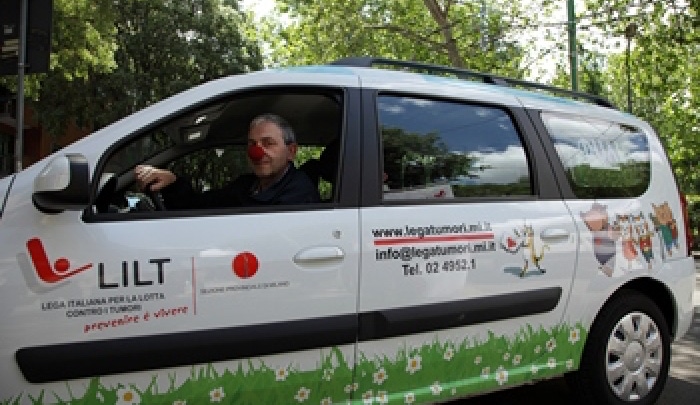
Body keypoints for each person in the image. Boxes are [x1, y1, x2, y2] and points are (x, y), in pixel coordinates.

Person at [134, 113, 321, 209]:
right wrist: (172, 182)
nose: (257, 152)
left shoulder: (300, 193)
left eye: (268, 143)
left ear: (291, 151)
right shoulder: (245, 186)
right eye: (252, 144)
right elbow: (199, 206)